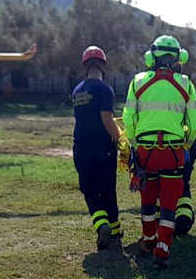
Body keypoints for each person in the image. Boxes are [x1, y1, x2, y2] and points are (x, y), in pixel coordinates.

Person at [122, 35, 196, 269]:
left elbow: (127, 118)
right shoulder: (186, 84)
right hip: (174, 151)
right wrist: (185, 142)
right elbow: (193, 125)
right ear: (178, 58)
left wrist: (136, 144)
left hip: (146, 150)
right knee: (168, 202)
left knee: (148, 197)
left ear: (151, 57)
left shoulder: (137, 81)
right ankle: (163, 248)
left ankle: (148, 240)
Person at [71, 45, 122, 250]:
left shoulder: (76, 91)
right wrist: (120, 139)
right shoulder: (104, 90)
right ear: (103, 65)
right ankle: (114, 228)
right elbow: (106, 119)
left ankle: (101, 224)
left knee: (90, 189)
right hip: (103, 148)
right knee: (107, 188)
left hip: (81, 148)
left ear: (85, 66)